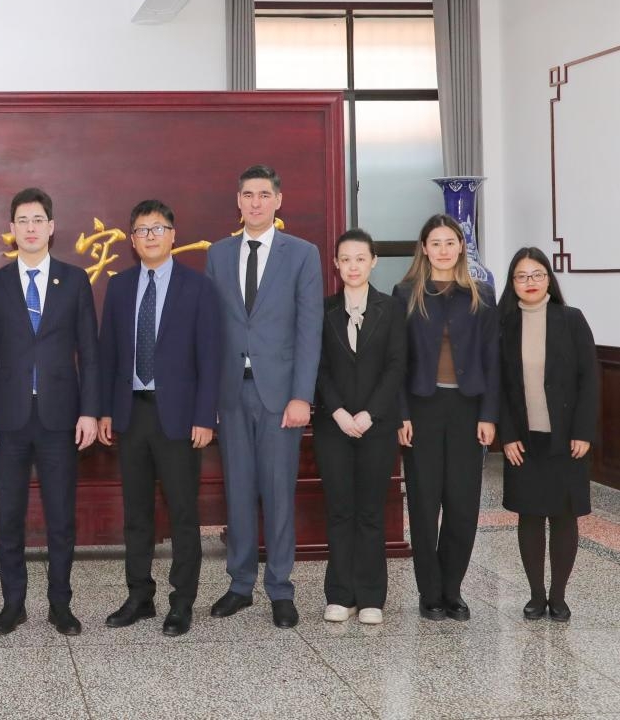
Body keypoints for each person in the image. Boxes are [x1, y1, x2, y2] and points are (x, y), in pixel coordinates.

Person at [0, 187, 99, 637]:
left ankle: (60, 605)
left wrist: (90, 411)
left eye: (37, 220)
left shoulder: (75, 280)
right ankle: (14, 604)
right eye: (22, 221)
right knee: (9, 517)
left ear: (51, 227)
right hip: (7, 420)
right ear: (12, 229)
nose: (30, 228)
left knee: (61, 517)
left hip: (60, 419)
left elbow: (90, 353)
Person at [204, 164, 323, 629]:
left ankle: (280, 588)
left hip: (281, 395)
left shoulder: (302, 254)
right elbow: (211, 330)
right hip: (232, 393)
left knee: (278, 493)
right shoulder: (218, 254)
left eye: (264, 195)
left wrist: (302, 396)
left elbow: (309, 330)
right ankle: (239, 584)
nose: (255, 203)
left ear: (278, 201)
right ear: (238, 201)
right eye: (248, 195)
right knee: (236, 492)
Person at [97, 199, 221, 637]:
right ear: (132, 240)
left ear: (173, 235)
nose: (150, 236)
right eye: (142, 230)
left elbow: (210, 357)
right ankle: (139, 596)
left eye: (158, 228)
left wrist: (205, 416)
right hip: (131, 413)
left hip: (180, 418)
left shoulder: (198, 287)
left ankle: (182, 601)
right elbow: (108, 354)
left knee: (183, 513)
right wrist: (106, 410)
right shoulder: (119, 287)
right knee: (136, 513)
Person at [393, 213, 499, 622]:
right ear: (424, 248)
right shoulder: (406, 293)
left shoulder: (481, 294)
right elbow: (397, 361)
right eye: (435, 243)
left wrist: (489, 414)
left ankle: (452, 589)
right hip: (421, 408)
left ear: (460, 247)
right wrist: (402, 413)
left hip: (467, 409)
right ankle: (429, 591)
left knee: (463, 504)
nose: (442, 250)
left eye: (450, 242)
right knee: (424, 504)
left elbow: (492, 359)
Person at [497, 247, 598, 623]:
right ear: (512, 283)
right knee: (530, 515)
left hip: (566, 438)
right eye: (522, 276)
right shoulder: (504, 324)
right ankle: (536, 596)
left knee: (563, 516)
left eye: (537, 274)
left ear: (549, 280)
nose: (530, 282)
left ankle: (558, 596)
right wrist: (507, 436)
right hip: (524, 441)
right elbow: (499, 385)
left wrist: (584, 432)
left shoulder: (571, 319)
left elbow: (590, 379)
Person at [313, 229, 406, 626]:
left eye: (360, 259)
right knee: (339, 511)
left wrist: (370, 413)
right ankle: (339, 594)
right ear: (336, 264)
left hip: (376, 427)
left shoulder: (391, 308)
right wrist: (337, 412)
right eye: (345, 259)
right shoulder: (323, 310)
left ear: (373, 262)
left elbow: (396, 366)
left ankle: (370, 596)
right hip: (333, 426)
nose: (353, 266)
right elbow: (318, 367)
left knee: (370, 512)